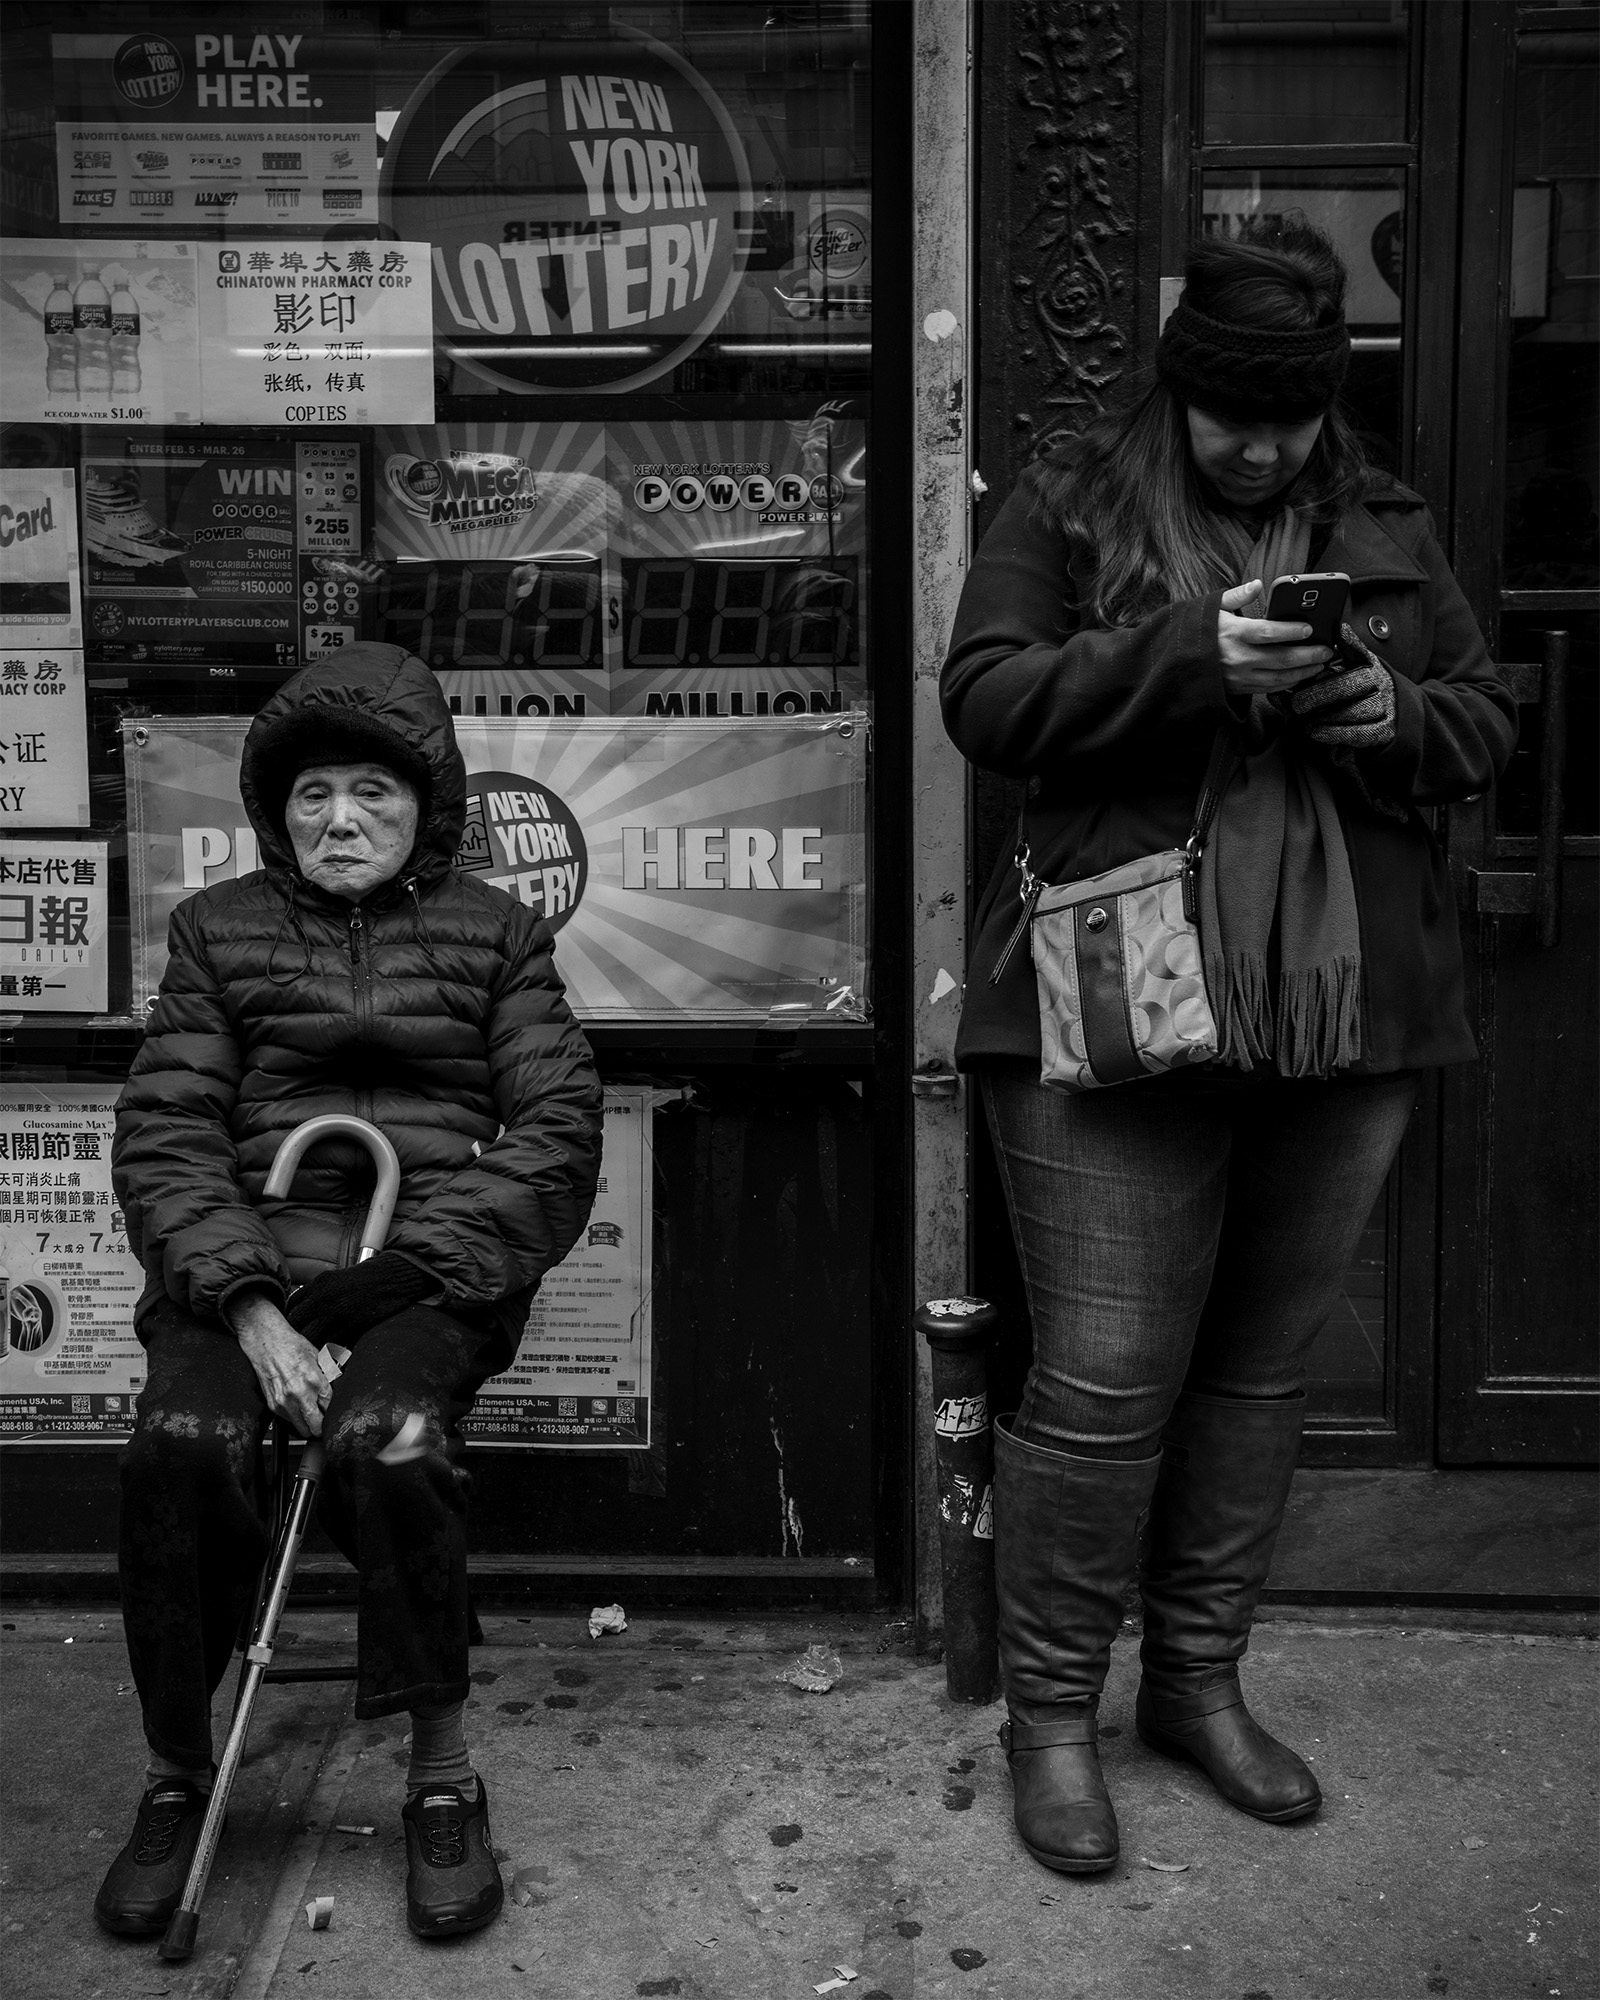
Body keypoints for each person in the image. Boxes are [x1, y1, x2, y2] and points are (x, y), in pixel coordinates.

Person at [941, 220, 1516, 1876]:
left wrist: (1388, 714)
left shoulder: (1381, 515)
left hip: (1344, 1013)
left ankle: (1197, 1684)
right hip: (1117, 994)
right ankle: (1054, 1717)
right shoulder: (1069, 500)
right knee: (1110, 1380)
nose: (1261, 450)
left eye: (1289, 421)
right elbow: (985, 697)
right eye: (1231, 420)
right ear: (1179, 395)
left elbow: (1482, 717)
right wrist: (1192, 656)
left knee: (1261, 1376)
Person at [96, 644, 603, 1940]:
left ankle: (442, 1774)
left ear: (425, 805)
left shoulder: (499, 932)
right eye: (314, 794)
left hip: (428, 1269)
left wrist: (404, 1275)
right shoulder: (217, 930)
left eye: (372, 794)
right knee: (185, 1444)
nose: (341, 820)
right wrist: (254, 1309)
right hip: (247, 1274)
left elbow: (556, 1134)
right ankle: (177, 1766)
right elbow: (166, 1133)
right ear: (278, 809)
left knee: (393, 1439)